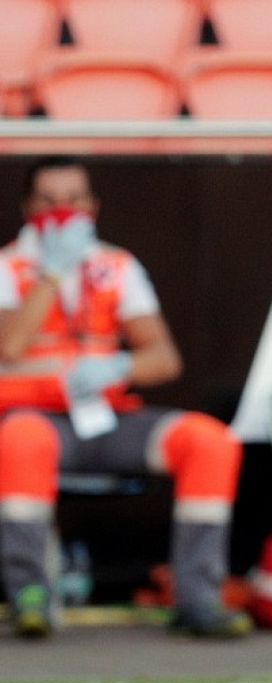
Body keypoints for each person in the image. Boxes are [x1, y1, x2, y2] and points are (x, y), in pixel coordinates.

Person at [0, 158, 250, 639]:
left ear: (92, 206)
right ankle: (30, 597)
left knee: (209, 442)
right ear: (29, 207)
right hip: (38, 419)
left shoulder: (116, 265)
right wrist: (51, 274)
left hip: (107, 418)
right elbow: (10, 346)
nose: (63, 211)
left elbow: (163, 358)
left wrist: (120, 367)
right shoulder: (11, 266)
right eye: (49, 201)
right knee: (22, 440)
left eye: (73, 200)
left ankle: (198, 597)